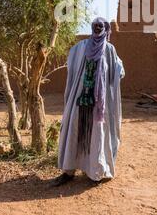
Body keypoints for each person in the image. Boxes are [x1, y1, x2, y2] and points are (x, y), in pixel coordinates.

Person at [53, 17, 124, 186]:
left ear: (106, 29)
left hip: (99, 104)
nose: (98, 28)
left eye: (101, 26)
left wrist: (118, 70)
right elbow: (71, 63)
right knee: (74, 131)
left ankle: (95, 172)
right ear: (92, 27)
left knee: (97, 135)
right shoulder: (81, 47)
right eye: (95, 26)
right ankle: (68, 171)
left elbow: (117, 70)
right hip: (79, 99)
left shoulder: (109, 50)